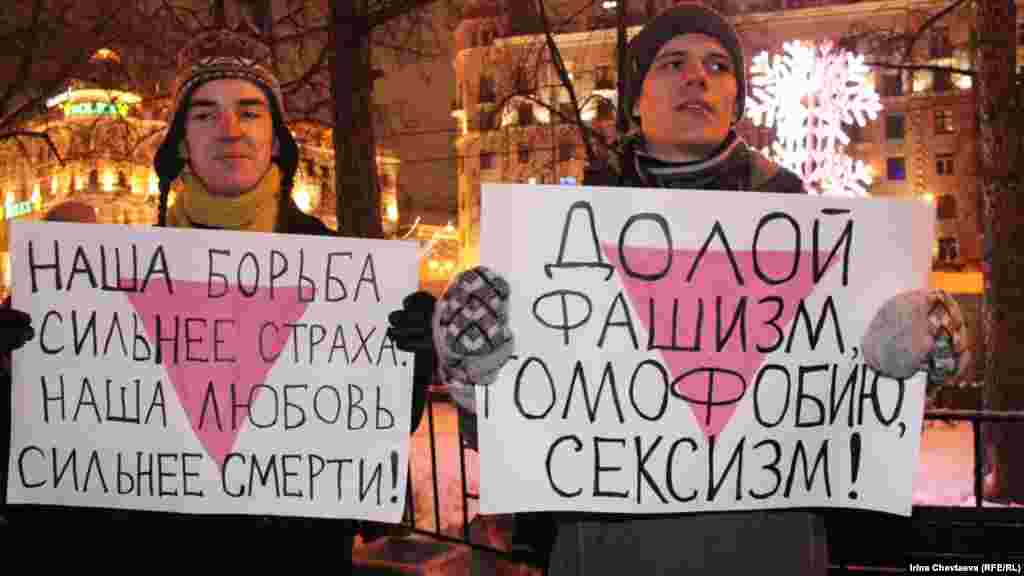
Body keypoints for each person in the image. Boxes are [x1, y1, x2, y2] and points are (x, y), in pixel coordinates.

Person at [390, 3, 970, 575]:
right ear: (635, 99)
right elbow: (519, 428)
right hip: (606, 550)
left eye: (718, 66)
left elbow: (860, 416)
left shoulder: (812, 229)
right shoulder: (562, 240)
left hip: (773, 546)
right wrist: (477, 375)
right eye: (673, 63)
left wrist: (907, 359)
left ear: (737, 100)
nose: (698, 77)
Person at [0, 29, 432, 551]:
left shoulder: (344, 277)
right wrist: (16, 371)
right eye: (205, 114)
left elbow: (368, 433)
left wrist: (411, 358)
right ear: (180, 142)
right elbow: (68, 449)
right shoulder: (112, 283)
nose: (230, 129)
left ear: (276, 139)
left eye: (250, 112)